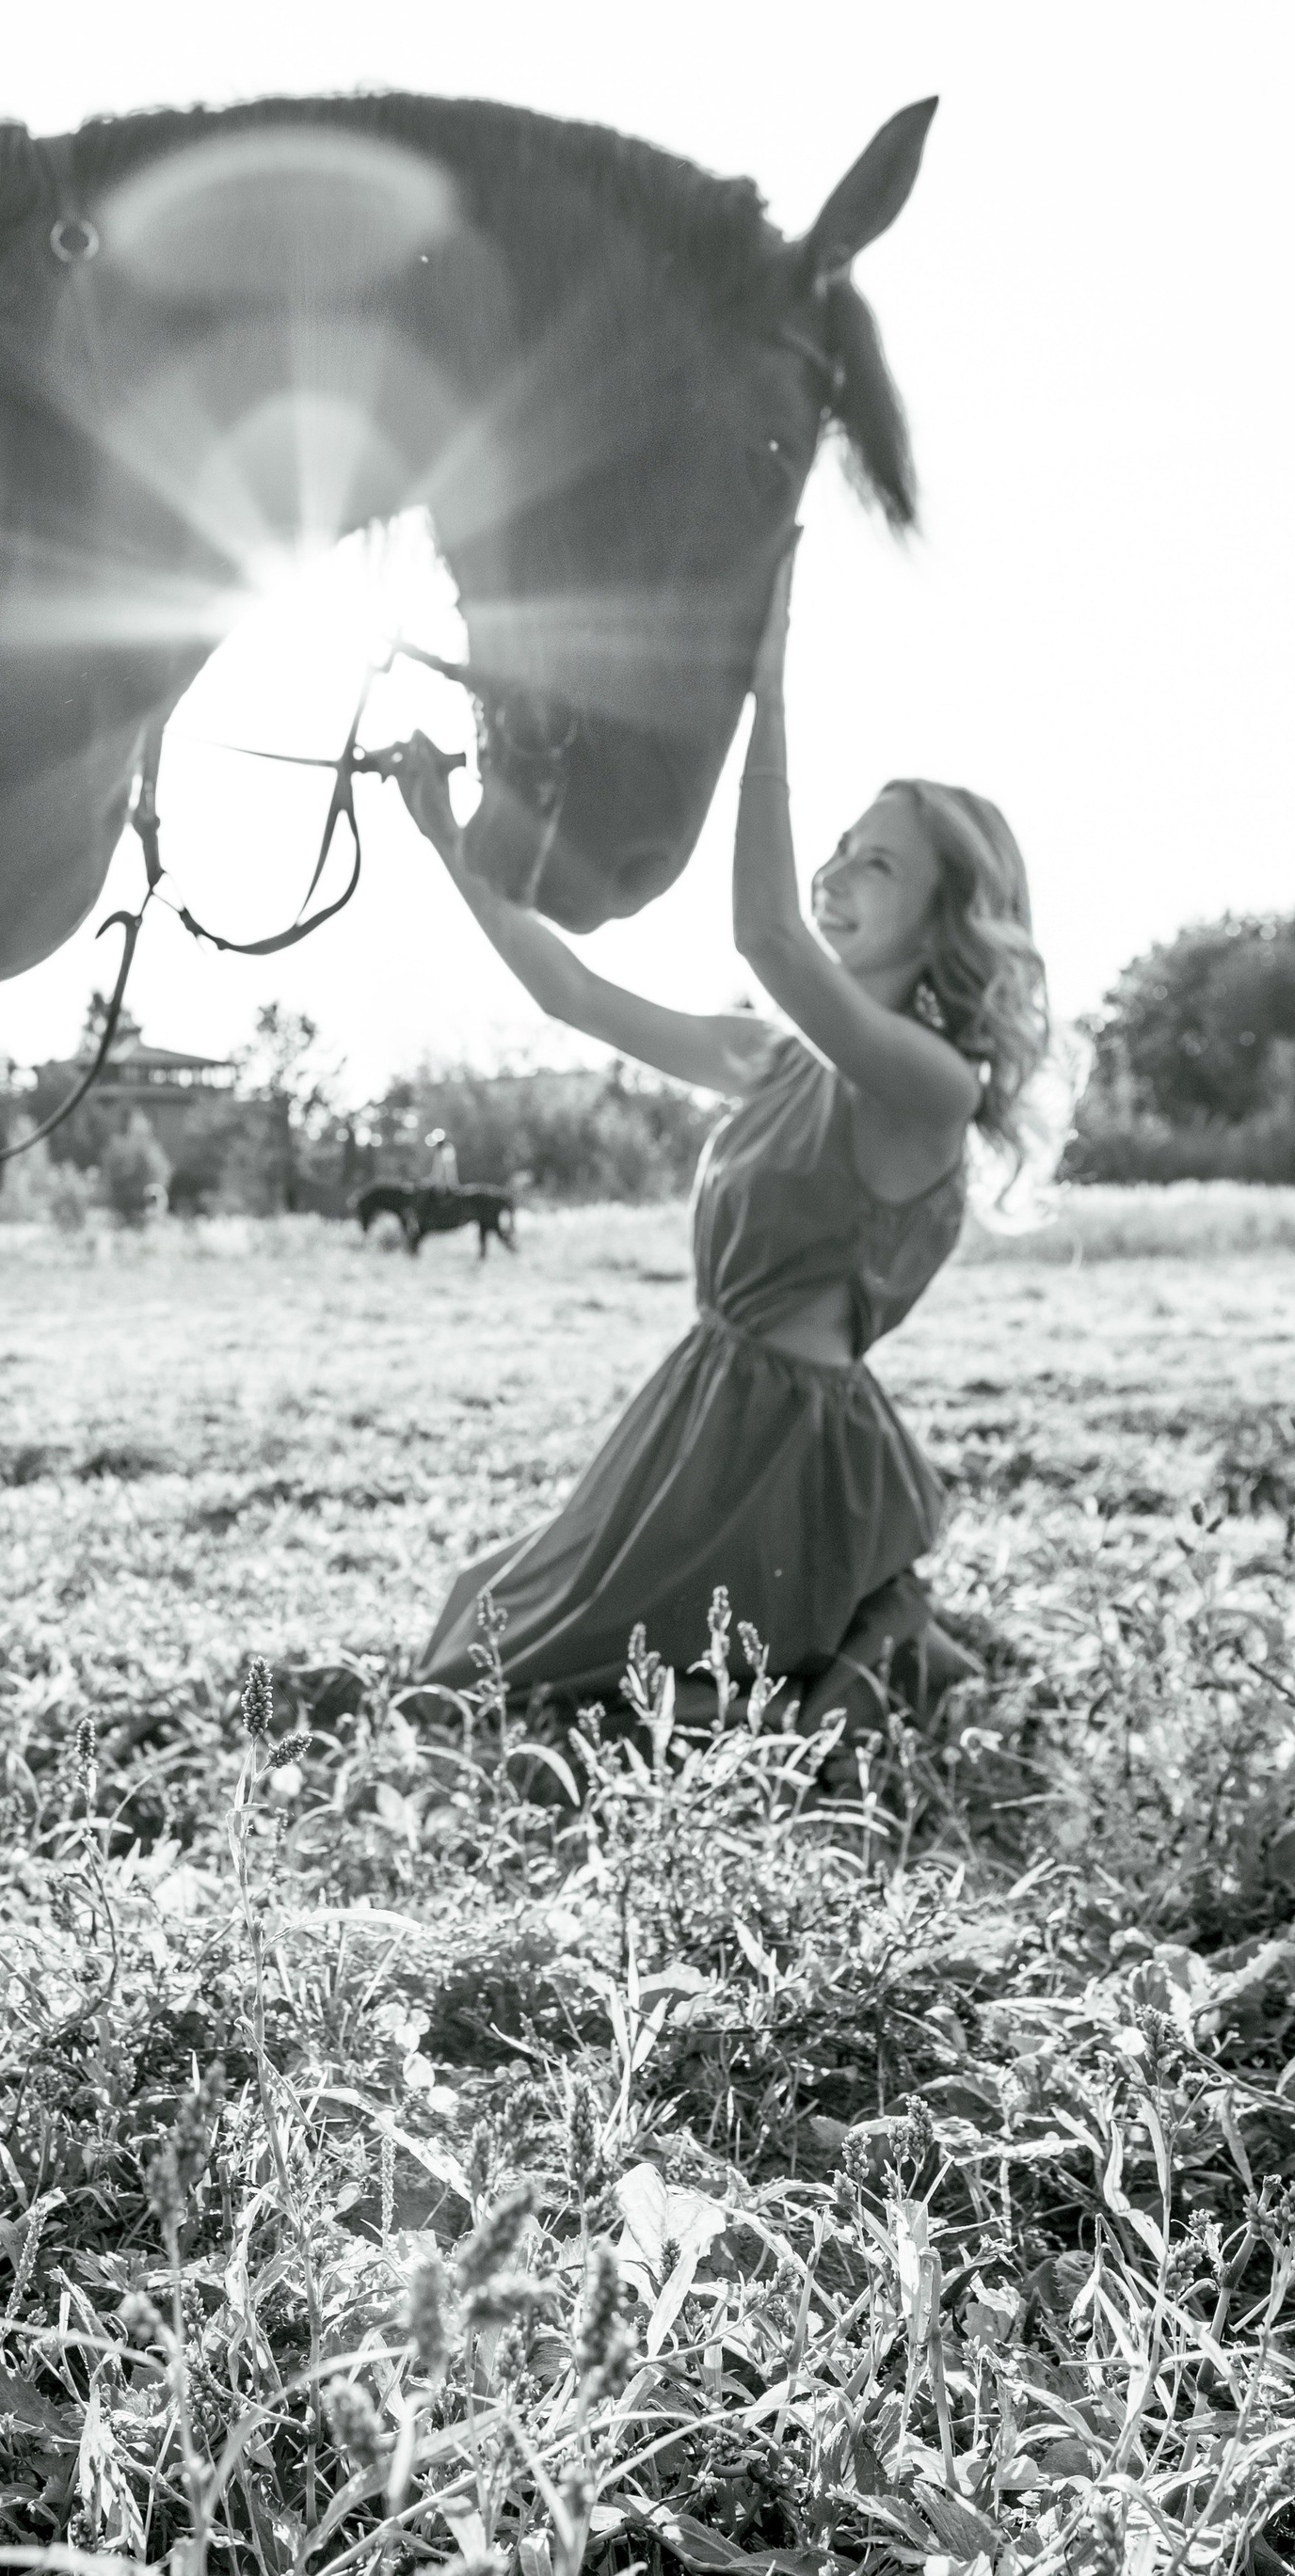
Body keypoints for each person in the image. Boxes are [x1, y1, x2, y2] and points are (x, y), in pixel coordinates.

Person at [393, 555, 1049, 1748]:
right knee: (483, 1624)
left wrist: (765, 691)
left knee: (566, 1697)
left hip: (787, 1457)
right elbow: (572, 992)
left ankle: (862, 1660)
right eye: (843, 845)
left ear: (946, 920)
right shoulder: (773, 1057)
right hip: (696, 1408)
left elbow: (767, 933)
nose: (839, 872)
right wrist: (446, 840)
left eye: (880, 863)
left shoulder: (929, 1087)